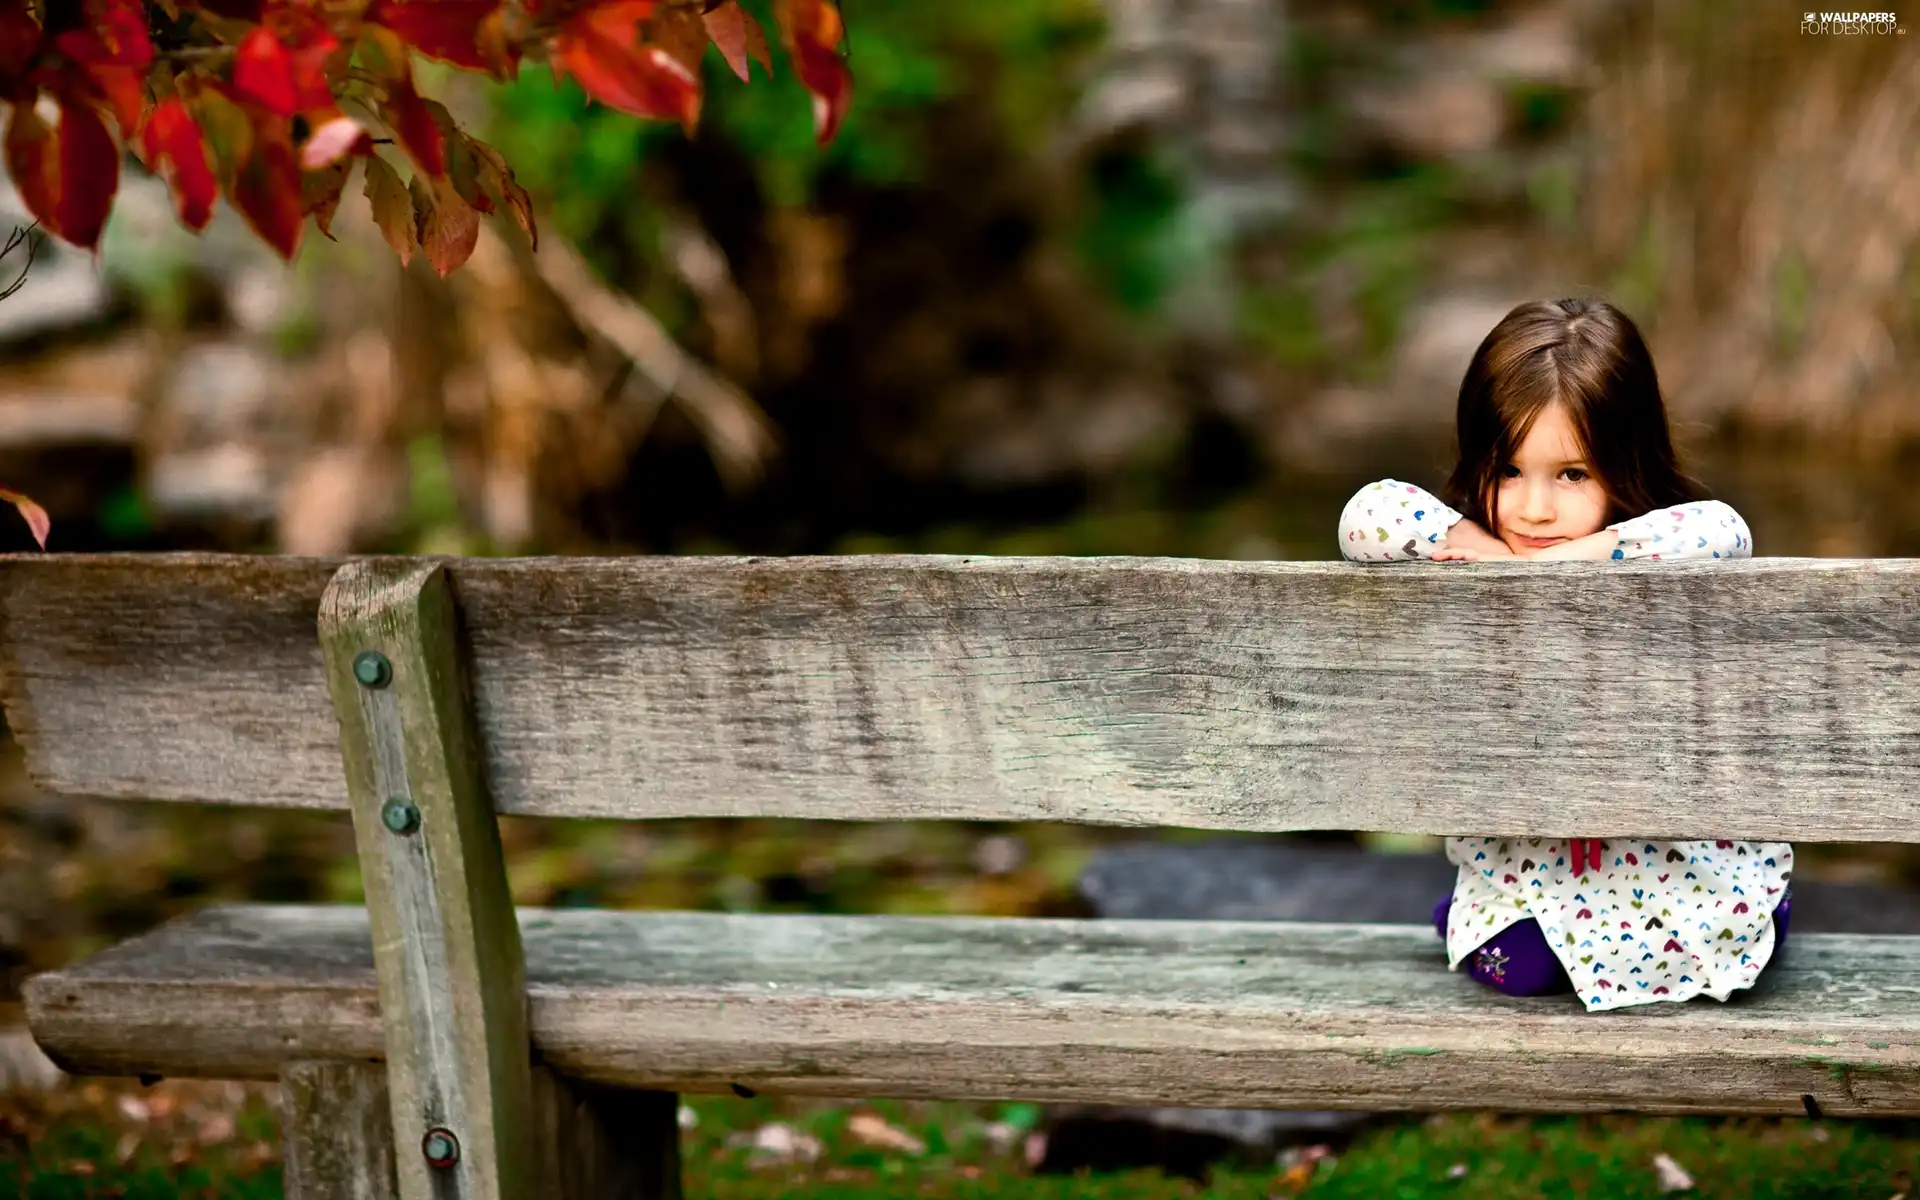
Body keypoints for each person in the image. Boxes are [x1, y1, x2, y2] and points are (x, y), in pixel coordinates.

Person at [1335, 297, 1791, 1013]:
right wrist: (1478, 547)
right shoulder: (1467, 554)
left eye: (1572, 474)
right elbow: (1368, 514)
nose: (1535, 508)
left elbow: (1724, 529)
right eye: (1507, 470)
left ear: (1627, 464)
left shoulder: (1653, 554)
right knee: (1525, 965)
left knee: (1533, 959)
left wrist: (1588, 555)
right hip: (1538, 866)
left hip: (1662, 868)